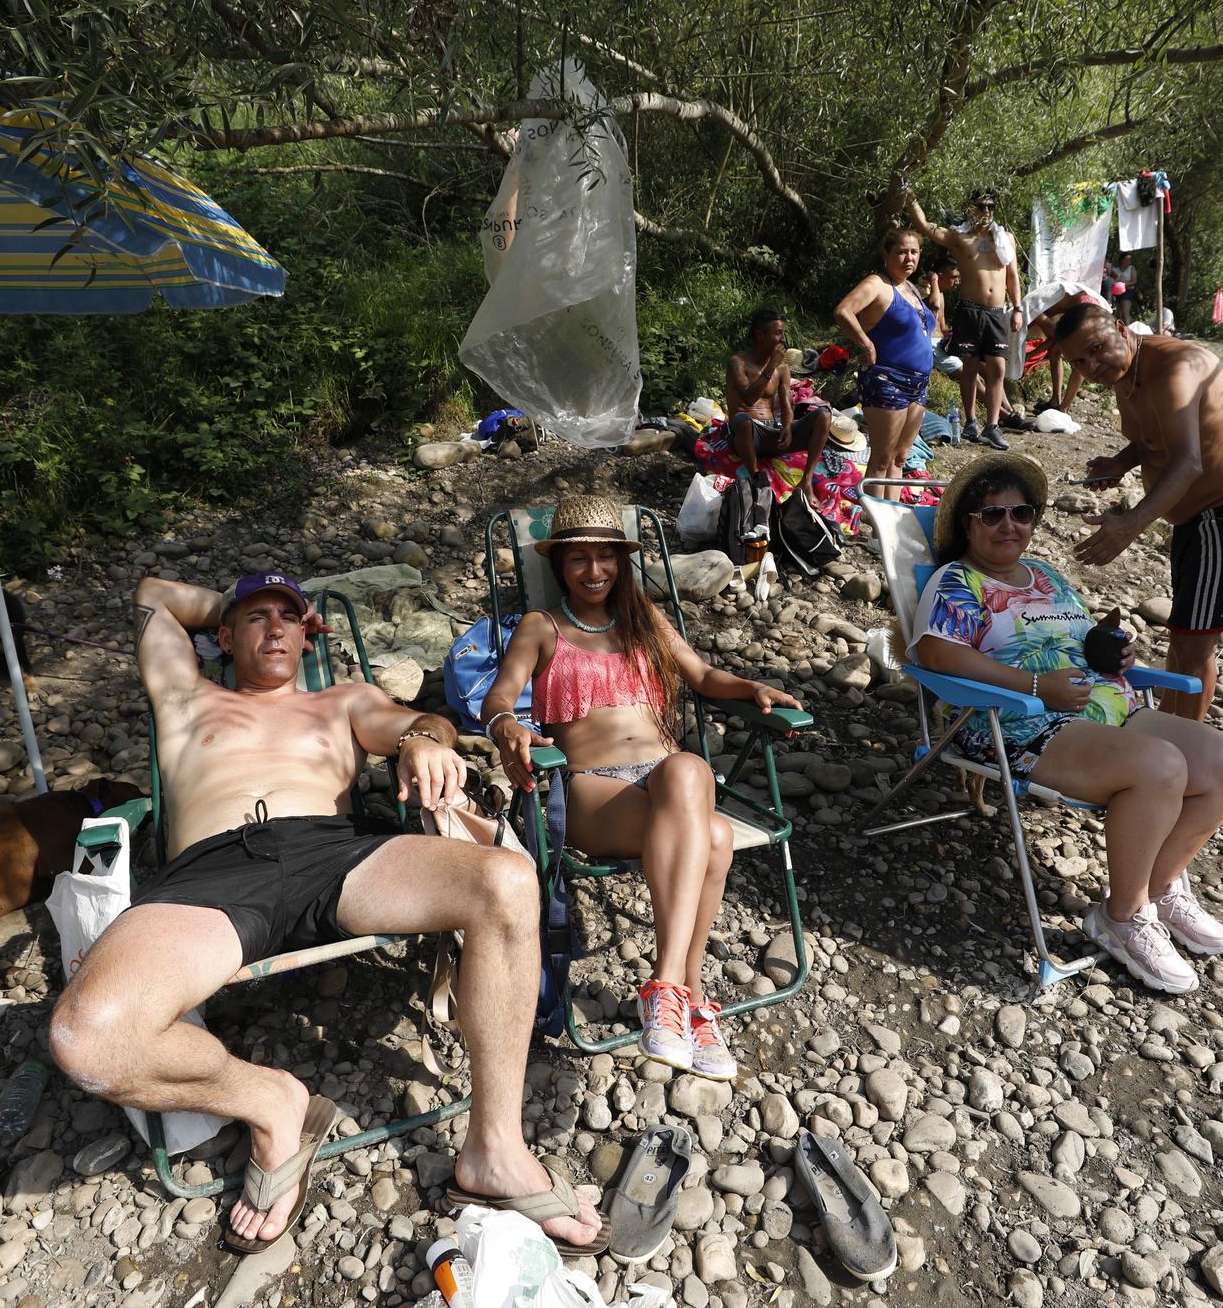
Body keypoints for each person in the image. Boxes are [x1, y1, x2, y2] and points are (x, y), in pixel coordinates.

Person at [51, 573, 604, 1257]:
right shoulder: (186, 694)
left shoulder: (340, 701)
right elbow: (149, 593)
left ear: (308, 635)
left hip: (331, 854)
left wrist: (424, 742)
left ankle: (495, 1148)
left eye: (290, 616)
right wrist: (239, 602)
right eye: (257, 618)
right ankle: (271, 1101)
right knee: (86, 1037)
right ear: (222, 635)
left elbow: (415, 721)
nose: (277, 627)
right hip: (213, 874)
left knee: (507, 881)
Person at [482, 496, 801, 1079]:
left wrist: (751, 686)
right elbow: (500, 694)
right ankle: (676, 986)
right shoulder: (541, 627)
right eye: (579, 559)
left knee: (718, 830)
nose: (594, 571)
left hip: (669, 792)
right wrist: (506, 722)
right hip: (595, 793)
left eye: (606, 558)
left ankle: (682, 998)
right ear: (560, 565)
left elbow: (702, 676)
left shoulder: (645, 619)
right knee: (692, 781)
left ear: (622, 562)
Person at [909, 453, 1223, 994]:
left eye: (1022, 513)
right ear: (967, 524)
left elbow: (1081, 640)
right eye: (991, 515)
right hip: (1018, 724)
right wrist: (1037, 687)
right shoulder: (957, 581)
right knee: (1160, 766)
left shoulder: (1046, 575)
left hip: (1108, 710)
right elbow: (935, 653)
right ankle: (1122, 915)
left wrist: (1117, 656)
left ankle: (1161, 888)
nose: (1009, 525)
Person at [1052, 302, 1223, 723]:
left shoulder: (1175, 369)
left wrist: (1129, 526)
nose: (1092, 365)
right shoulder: (1126, 372)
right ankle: (1168, 734)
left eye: (1098, 349)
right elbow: (1154, 439)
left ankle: (1181, 750)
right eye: (1079, 361)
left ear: (1121, 329)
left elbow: (1189, 462)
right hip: (1200, 519)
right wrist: (1120, 463)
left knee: (1194, 646)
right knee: (1184, 635)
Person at [906, 189, 1022, 451]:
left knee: (997, 369)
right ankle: (971, 422)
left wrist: (1017, 308)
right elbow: (926, 227)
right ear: (971, 209)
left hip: (996, 312)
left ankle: (992, 426)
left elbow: (1012, 276)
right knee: (969, 367)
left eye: (990, 206)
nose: (986, 211)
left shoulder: (1005, 239)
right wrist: (911, 198)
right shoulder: (960, 237)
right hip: (970, 309)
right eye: (981, 206)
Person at [834, 228, 936, 481]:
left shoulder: (911, 288)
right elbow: (843, 311)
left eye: (914, 252)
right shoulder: (877, 284)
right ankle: (872, 519)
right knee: (882, 458)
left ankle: (893, 515)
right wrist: (866, 345)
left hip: (918, 383)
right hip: (887, 380)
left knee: (900, 458)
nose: (909, 257)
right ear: (887, 254)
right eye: (901, 252)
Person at [726, 308, 831, 486]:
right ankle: (755, 478)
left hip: (773, 434)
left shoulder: (782, 368)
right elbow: (749, 399)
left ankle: (806, 481)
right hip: (747, 436)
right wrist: (770, 366)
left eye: (783, 333)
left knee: (824, 415)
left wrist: (788, 427)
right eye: (778, 333)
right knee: (744, 421)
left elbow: (786, 405)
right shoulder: (738, 362)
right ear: (760, 335)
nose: (783, 339)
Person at [1104, 253, 1140, 325]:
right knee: (1117, 313)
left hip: (1128, 291)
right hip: (1116, 293)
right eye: (1126, 259)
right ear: (1121, 260)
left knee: (1125, 312)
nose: (1128, 261)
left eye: (1130, 259)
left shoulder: (1131, 268)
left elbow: (1134, 281)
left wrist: (1124, 285)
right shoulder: (1115, 269)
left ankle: (1128, 329)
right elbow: (1111, 278)